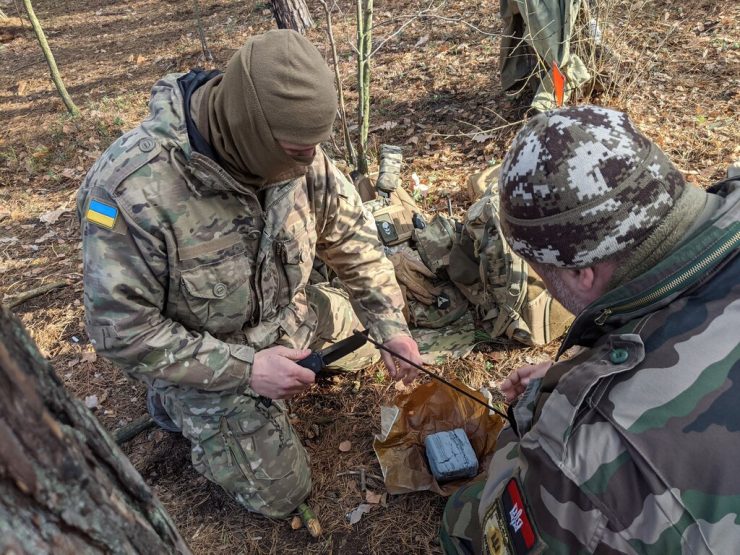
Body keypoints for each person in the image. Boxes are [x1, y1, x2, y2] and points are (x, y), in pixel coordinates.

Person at [77, 29, 422, 519]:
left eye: (313, 147)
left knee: (375, 342)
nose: (311, 161)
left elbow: (349, 238)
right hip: (209, 357)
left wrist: (391, 326)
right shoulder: (130, 190)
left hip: (292, 318)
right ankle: (174, 404)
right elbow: (122, 330)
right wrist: (248, 370)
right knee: (283, 495)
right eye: (297, 150)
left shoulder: (299, 154)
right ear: (249, 129)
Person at [441, 105, 740, 553]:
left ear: (582, 272)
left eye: (540, 273)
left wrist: (539, 413)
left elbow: (484, 532)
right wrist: (580, 375)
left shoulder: (588, 462)